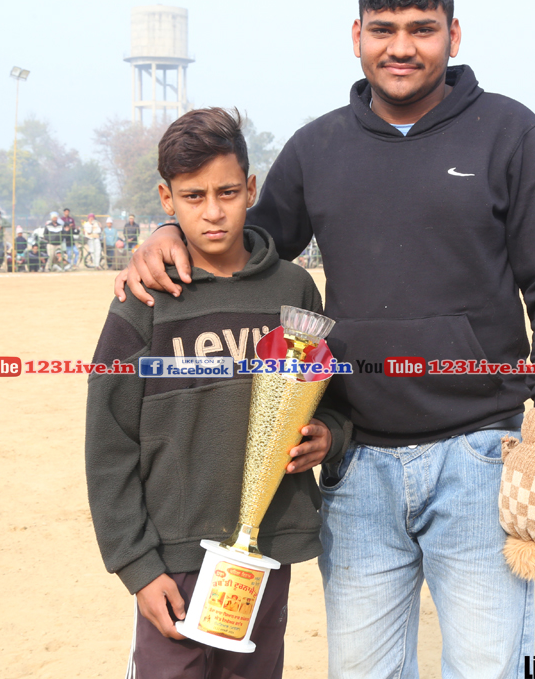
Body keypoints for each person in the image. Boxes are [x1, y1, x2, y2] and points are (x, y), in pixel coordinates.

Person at [112, 0, 535, 677]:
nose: (402, 47)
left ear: (454, 34)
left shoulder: (510, 134)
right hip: (355, 466)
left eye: (422, 29)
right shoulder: (318, 148)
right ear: (356, 35)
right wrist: (169, 231)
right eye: (384, 29)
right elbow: (244, 246)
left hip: (480, 456)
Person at [86, 107, 347, 679]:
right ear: (167, 198)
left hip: (266, 551)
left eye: (227, 192)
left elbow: (330, 396)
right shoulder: (146, 298)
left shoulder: (294, 288)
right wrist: (136, 564)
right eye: (193, 196)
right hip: (172, 558)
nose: (212, 211)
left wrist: (330, 433)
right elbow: (109, 441)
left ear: (250, 188)